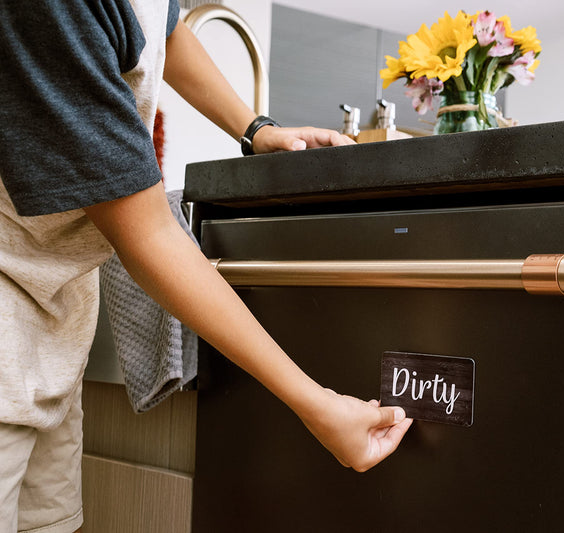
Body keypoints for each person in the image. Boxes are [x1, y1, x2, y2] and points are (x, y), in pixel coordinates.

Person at [0, 1, 413, 532]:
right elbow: (149, 235)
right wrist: (318, 404)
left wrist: (255, 127)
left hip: (55, 324)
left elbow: (163, 31)